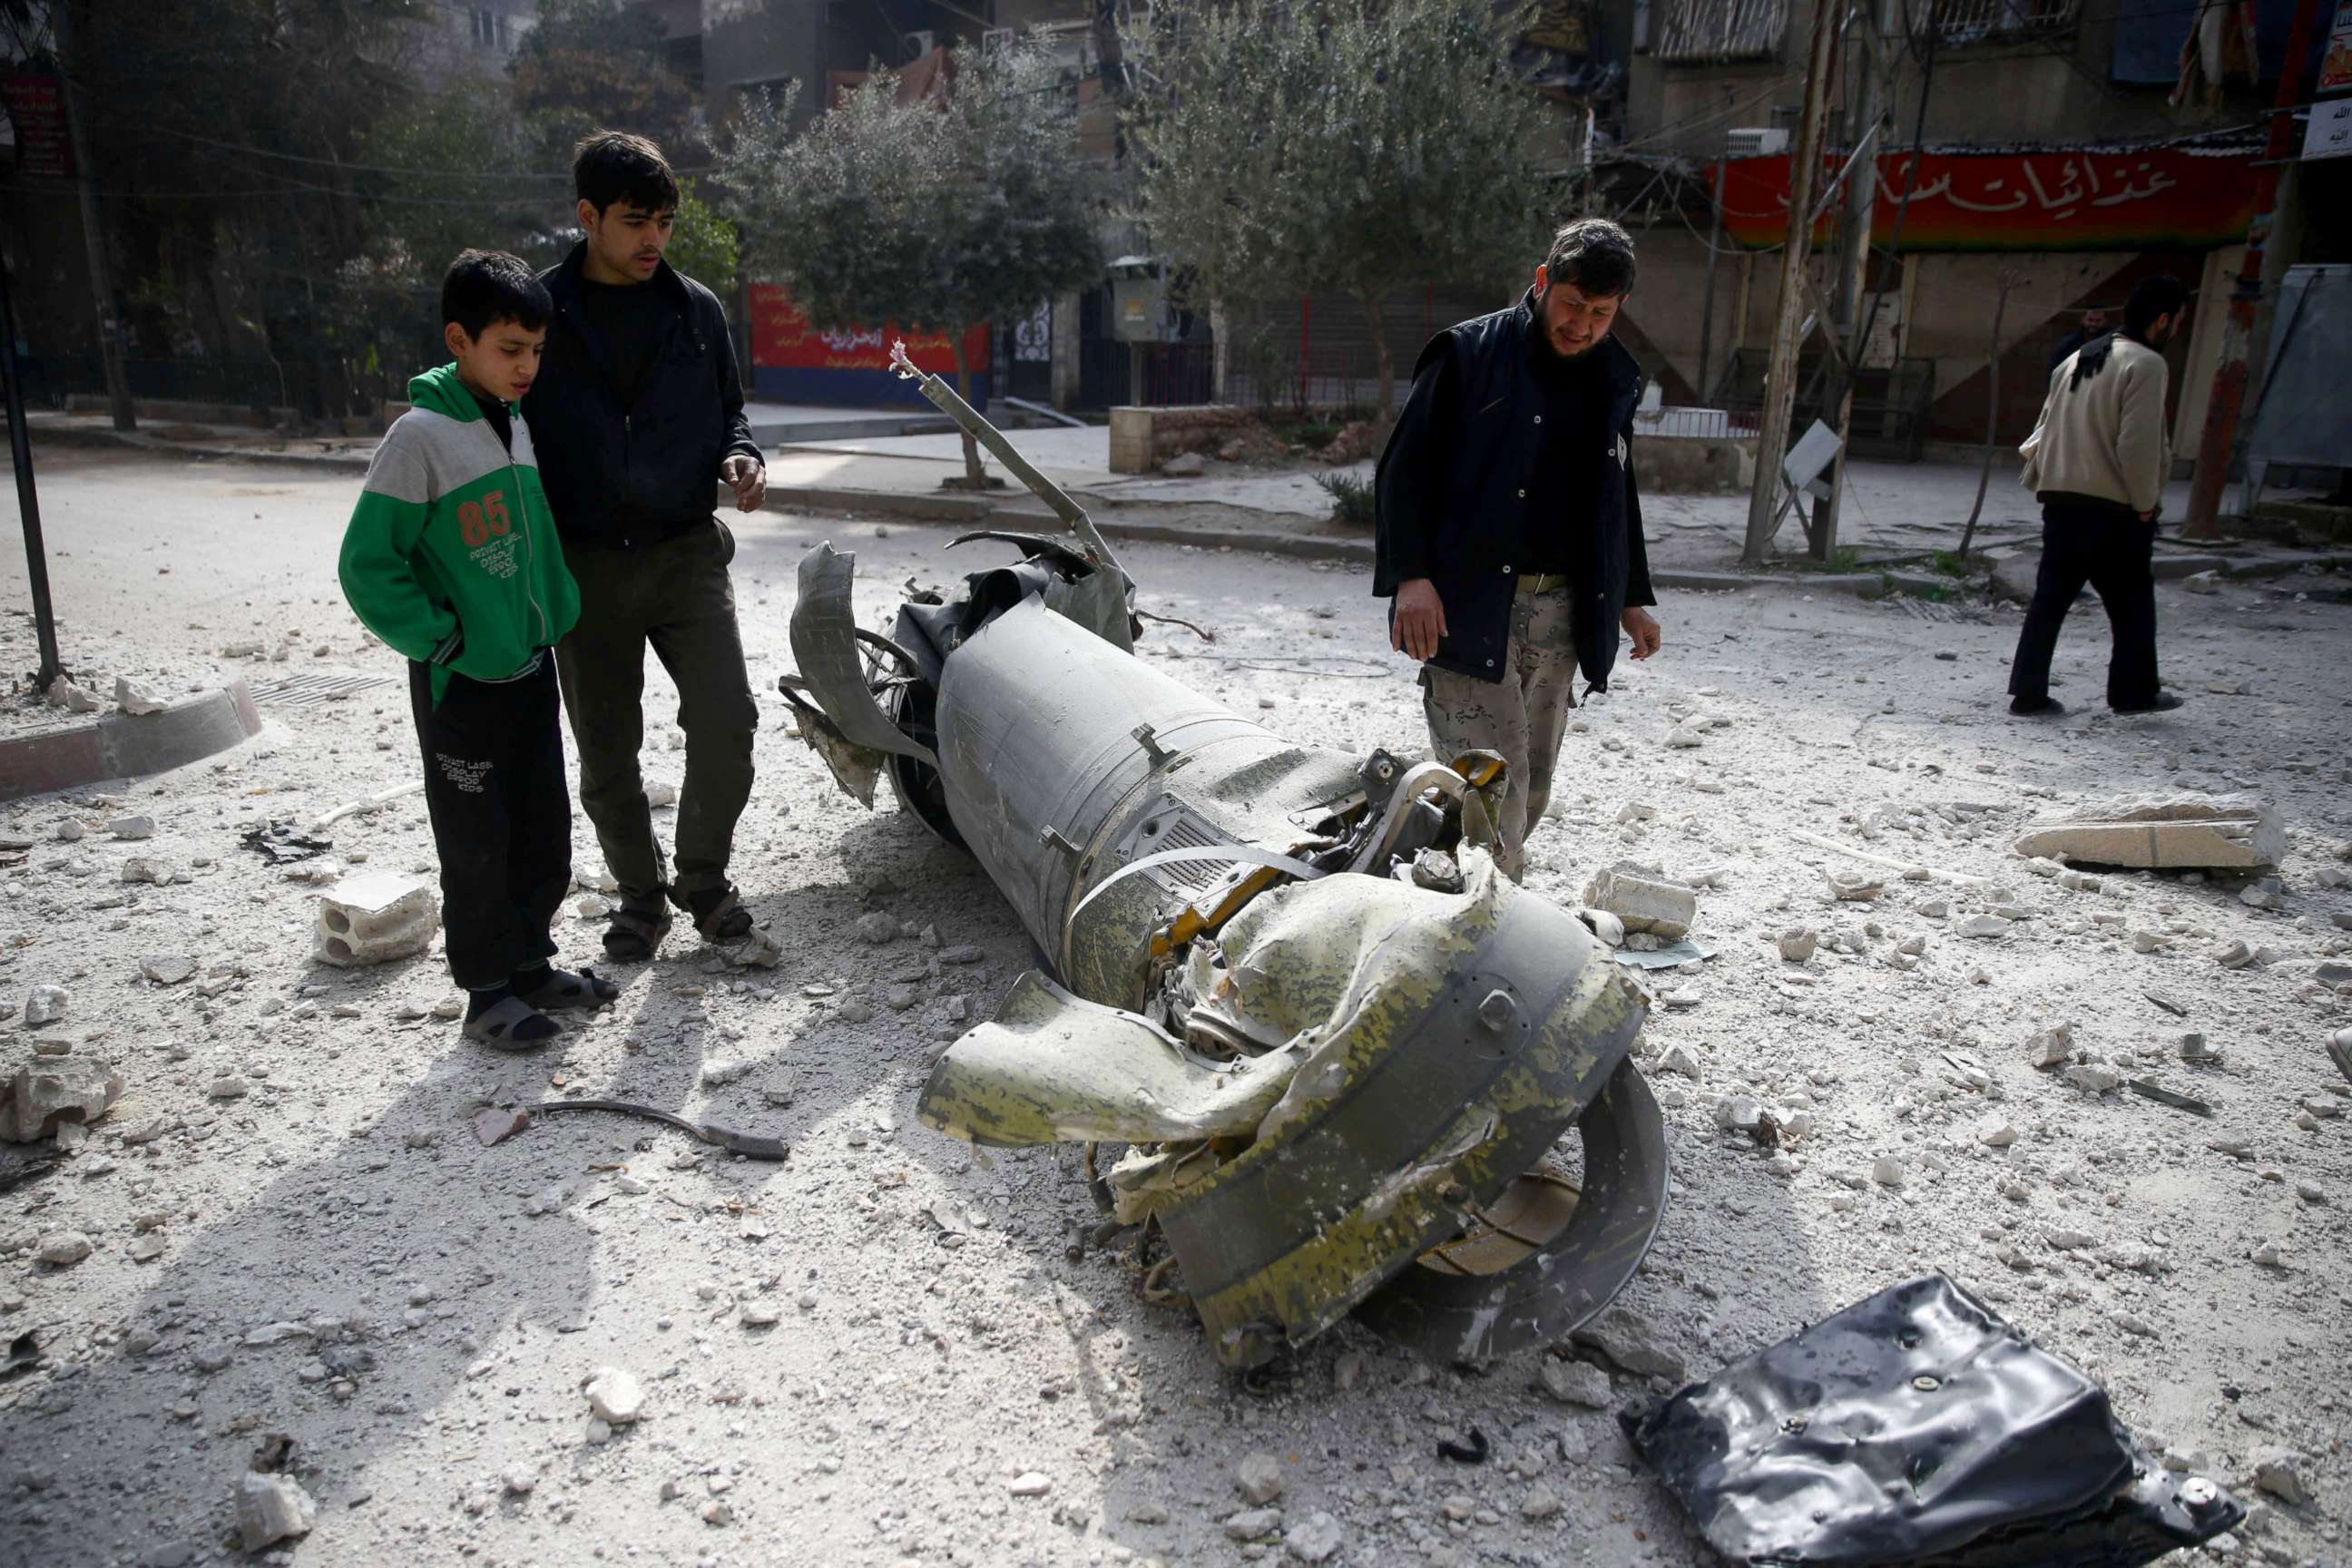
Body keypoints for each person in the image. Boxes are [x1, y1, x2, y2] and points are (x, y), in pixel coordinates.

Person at [338, 250, 616, 1048]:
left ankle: (531, 967)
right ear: (459, 340)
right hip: (461, 684)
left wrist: (549, 613)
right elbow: (367, 563)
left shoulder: (514, 420)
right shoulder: (418, 437)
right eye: (510, 349)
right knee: (475, 842)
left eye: (536, 350)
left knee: (542, 828)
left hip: (527, 668)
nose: (527, 366)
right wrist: (441, 639)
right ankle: (487, 993)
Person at [524, 132, 768, 961]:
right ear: (588, 216)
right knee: (606, 751)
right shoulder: (539, 312)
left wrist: (742, 455)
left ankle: (703, 881)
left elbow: (732, 410)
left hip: (685, 554)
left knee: (728, 719)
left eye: (663, 220)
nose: (652, 239)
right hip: (583, 564)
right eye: (635, 221)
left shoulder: (696, 310)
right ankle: (639, 897)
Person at [1373, 218, 1662, 881]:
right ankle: (1487, 923)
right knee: (1491, 791)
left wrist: (1631, 599)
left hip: (1560, 612)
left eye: (1600, 313)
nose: (1582, 325)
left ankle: (1447, 892)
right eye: (1571, 305)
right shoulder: (1469, 355)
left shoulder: (1613, 377)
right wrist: (1411, 579)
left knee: (1528, 785)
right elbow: (1402, 471)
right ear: (1542, 282)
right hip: (1467, 607)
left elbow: (1620, 491)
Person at [2007, 275, 2190, 718]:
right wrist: (2146, 503)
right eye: (2179, 321)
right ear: (2162, 320)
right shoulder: (2146, 364)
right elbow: (2138, 444)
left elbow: (2044, 430)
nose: (2179, 330)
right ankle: (2133, 694)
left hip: (2062, 501)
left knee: (2049, 603)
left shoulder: (2074, 360)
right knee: (2132, 608)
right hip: (2114, 510)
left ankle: (2028, 695)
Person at [2048, 306, 2110, 373]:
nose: (2093, 324)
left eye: (2098, 321)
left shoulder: (2110, 344)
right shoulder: (2067, 345)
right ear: (2083, 320)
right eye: (2090, 320)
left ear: (2105, 321)